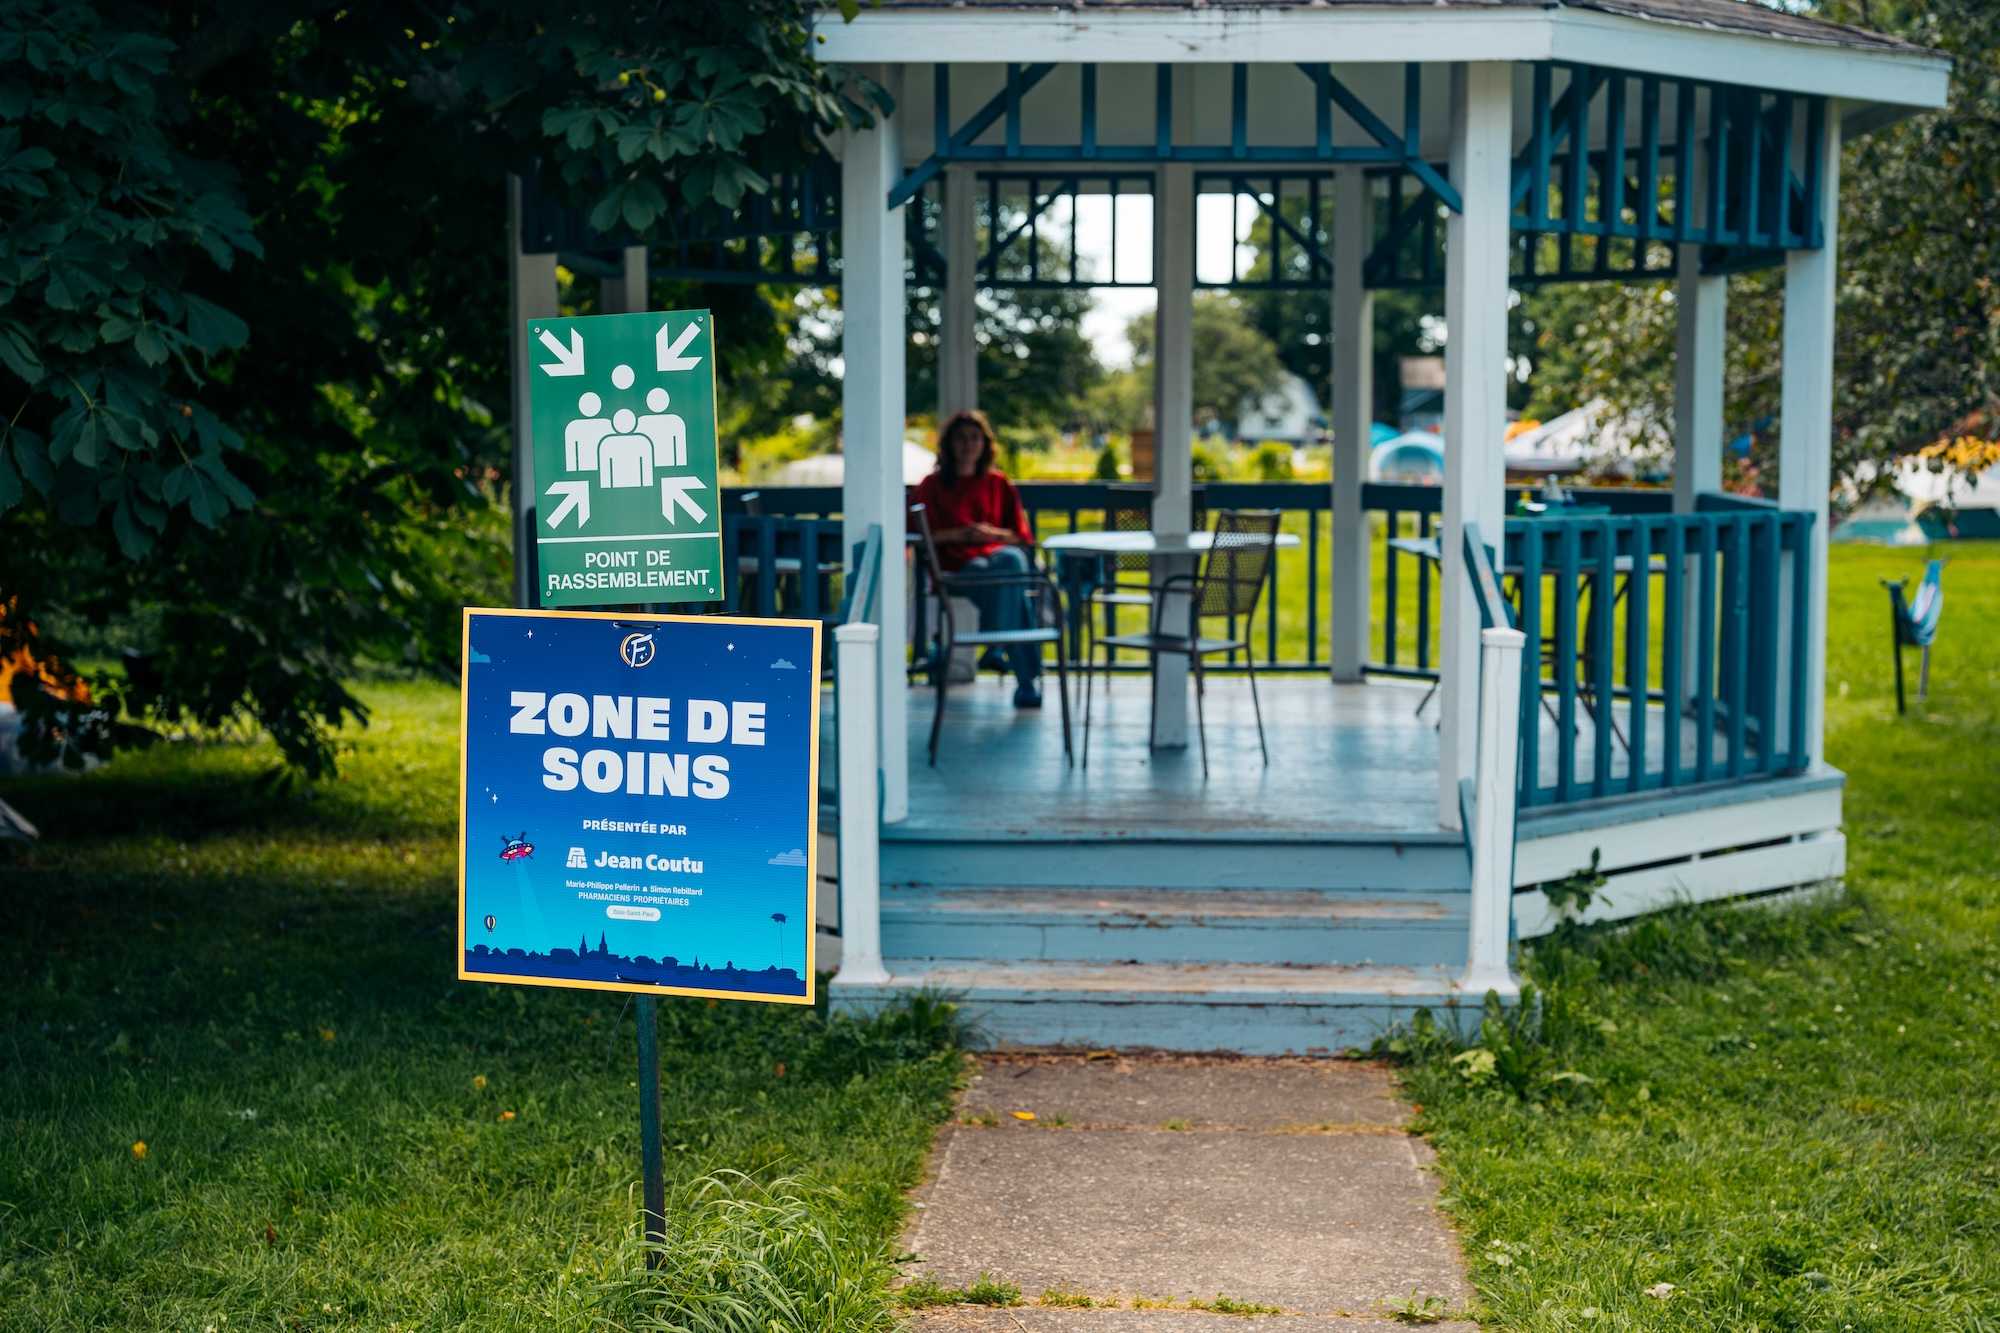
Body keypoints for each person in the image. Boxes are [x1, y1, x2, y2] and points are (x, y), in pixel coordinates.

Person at [914, 410, 1045, 708]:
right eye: (961, 438)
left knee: (1011, 562)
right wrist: (960, 535)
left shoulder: (998, 484)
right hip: (956, 569)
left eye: (974, 438)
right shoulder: (932, 485)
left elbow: (1021, 538)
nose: (968, 445)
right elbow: (918, 537)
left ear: (985, 444)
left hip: (997, 562)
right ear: (948, 444)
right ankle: (1021, 676)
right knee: (1012, 590)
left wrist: (989, 533)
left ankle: (1001, 649)